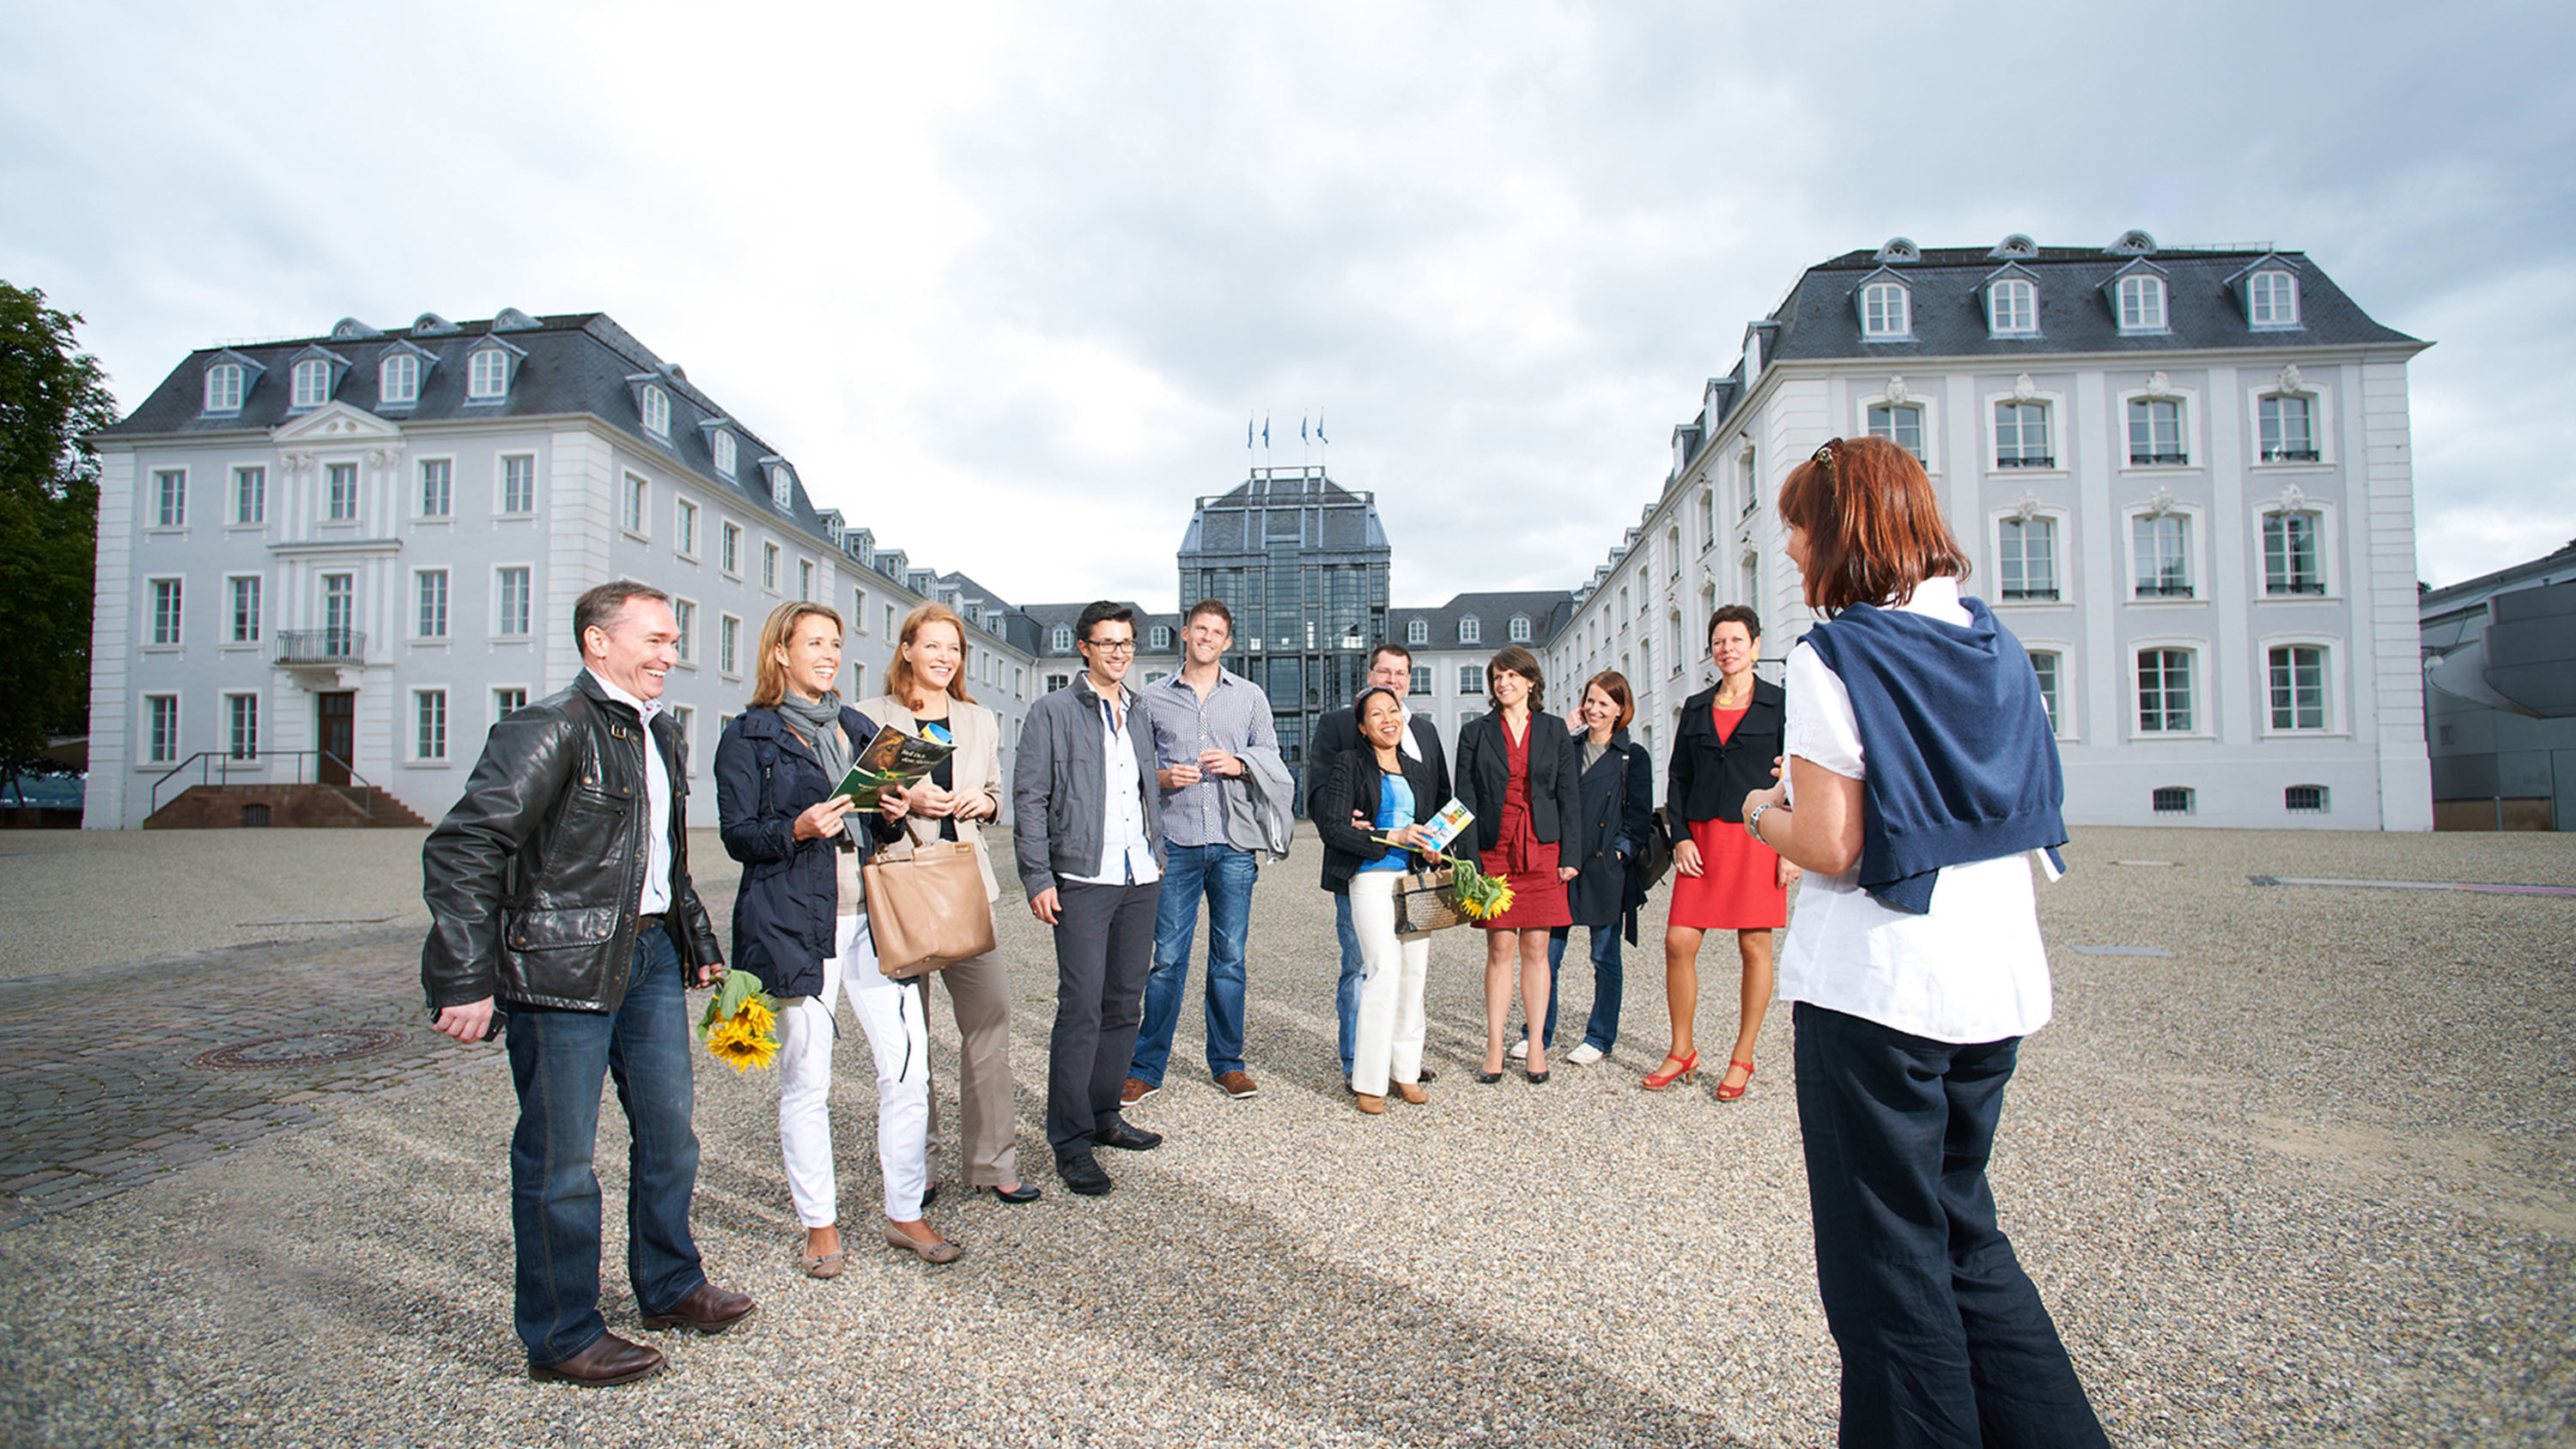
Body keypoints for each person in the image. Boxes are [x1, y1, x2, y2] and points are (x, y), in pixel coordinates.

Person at [1741, 434, 2105, 1446]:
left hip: (1883, 992)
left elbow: (1833, 840)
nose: (1791, 549)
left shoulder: (1837, 650)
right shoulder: (1991, 637)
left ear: (1842, 530)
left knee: (1887, 1274)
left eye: (1799, 526)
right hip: (1995, 982)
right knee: (1961, 1238)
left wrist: (1761, 805)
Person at [422, 579, 753, 1386]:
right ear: (597, 643)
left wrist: (697, 943)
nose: (670, 657)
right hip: (557, 973)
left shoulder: (661, 733)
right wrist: (465, 977)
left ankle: (670, 1286)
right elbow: (464, 848)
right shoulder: (548, 727)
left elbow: (662, 858)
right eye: (654, 641)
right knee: (561, 1162)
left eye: (674, 643)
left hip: (644, 962)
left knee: (671, 1136)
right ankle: (564, 1332)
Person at [717, 601, 963, 1274]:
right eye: (815, 644)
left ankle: (904, 1210)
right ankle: (819, 1224)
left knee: (908, 1069)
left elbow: (877, 829)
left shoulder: (858, 726)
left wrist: (889, 813)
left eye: (835, 644)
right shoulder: (749, 736)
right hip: (796, 925)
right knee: (808, 1079)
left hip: (876, 921)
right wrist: (795, 829)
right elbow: (738, 835)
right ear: (780, 653)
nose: (828, 655)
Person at [857, 603, 1041, 1206]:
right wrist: (905, 800)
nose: (943, 658)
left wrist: (979, 805)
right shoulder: (870, 716)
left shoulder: (977, 719)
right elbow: (858, 806)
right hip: (900, 883)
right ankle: (919, 1166)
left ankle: (993, 1162)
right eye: (932, 645)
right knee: (913, 1036)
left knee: (989, 1020)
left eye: (954, 649)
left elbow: (994, 798)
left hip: (965, 884)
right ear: (906, 648)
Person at [1013, 602, 1167, 1197]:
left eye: (1125, 643)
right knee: (1080, 1007)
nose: (1118, 653)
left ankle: (1104, 1115)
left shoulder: (1141, 712)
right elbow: (1030, 798)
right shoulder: (1051, 711)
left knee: (1125, 1001)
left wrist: (1159, 853)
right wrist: (1038, 877)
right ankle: (1070, 1141)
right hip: (1080, 877)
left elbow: (1145, 788)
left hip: (1139, 875)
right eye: (1107, 643)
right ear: (1084, 647)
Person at [1126, 599, 1280, 1106]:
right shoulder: (1150, 698)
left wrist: (1239, 763)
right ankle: (1147, 1067)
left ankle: (1228, 1064)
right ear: (1185, 633)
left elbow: (1273, 763)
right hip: (1177, 842)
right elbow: (1134, 770)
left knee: (1230, 959)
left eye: (1217, 632)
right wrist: (1166, 777)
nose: (1208, 638)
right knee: (1167, 959)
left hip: (1234, 843)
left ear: (1227, 641)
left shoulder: (1251, 697)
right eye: (1200, 629)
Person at [1649, 606, 1801, 1098]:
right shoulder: (1694, 707)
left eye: (1737, 640)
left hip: (1759, 836)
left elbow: (1798, 775)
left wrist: (1792, 846)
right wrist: (1681, 838)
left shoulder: (1781, 705)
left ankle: (1743, 1058)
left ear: (1755, 646)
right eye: (1719, 641)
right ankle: (1682, 1050)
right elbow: (1678, 776)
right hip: (1702, 839)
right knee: (1678, 942)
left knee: (1754, 946)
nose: (1727, 649)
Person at [1308, 642, 1448, 1082]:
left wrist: (1439, 843)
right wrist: (1346, 816)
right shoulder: (1337, 726)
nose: (1392, 680)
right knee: (1362, 966)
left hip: (1413, 873)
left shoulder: (1423, 732)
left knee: (1408, 972)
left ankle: (1400, 1062)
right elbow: (1318, 794)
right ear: (1370, 675)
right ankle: (1357, 1063)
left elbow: (1439, 794)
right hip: (1361, 866)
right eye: (1384, 672)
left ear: (1409, 680)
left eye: (1401, 674)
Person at [1452, 645, 1581, 1083]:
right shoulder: (1474, 733)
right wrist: (1468, 862)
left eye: (1511, 676)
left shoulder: (1554, 730)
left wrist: (1571, 856)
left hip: (1544, 848)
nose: (1503, 683)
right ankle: (1493, 1045)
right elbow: (1465, 800)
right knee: (1500, 948)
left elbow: (1569, 795)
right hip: (1493, 849)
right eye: (1497, 677)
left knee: (1537, 949)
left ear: (1531, 682)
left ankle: (1537, 1045)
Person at [1510, 671, 1650, 1068]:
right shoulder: (1565, 748)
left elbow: (1639, 815)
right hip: (1561, 864)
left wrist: (1621, 853)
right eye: (1590, 701)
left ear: (1621, 710)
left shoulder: (1632, 757)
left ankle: (1600, 1036)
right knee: (1545, 955)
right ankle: (1538, 1032)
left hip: (1606, 867)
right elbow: (1535, 782)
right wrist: (1562, 730)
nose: (1594, 709)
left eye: (1605, 703)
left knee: (1604, 958)